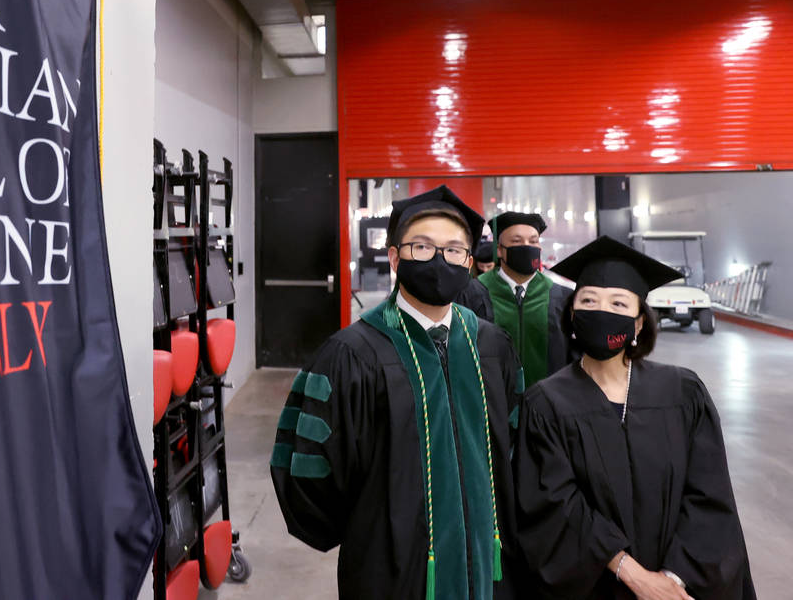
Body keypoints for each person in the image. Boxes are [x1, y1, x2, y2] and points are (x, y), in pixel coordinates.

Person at [271, 185, 524, 600]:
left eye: (454, 250)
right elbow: (308, 472)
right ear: (394, 258)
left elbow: (512, 447)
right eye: (422, 247)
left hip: (484, 561)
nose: (439, 259)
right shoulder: (350, 354)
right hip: (389, 568)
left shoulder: (493, 347)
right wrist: (369, 530)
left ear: (469, 261)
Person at [515, 236, 755, 600]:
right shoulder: (546, 404)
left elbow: (709, 495)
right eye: (589, 301)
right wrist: (633, 575)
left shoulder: (682, 393)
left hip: (680, 586)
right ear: (573, 316)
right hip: (594, 586)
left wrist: (672, 579)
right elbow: (554, 508)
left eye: (618, 303)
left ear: (639, 323)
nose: (602, 310)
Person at [460, 212, 572, 389]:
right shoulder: (471, 293)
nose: (527, 247)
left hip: (550, 404)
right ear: (499, 249)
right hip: (492, 403)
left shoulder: (562, 297)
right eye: (517, 241)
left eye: (533, 241)